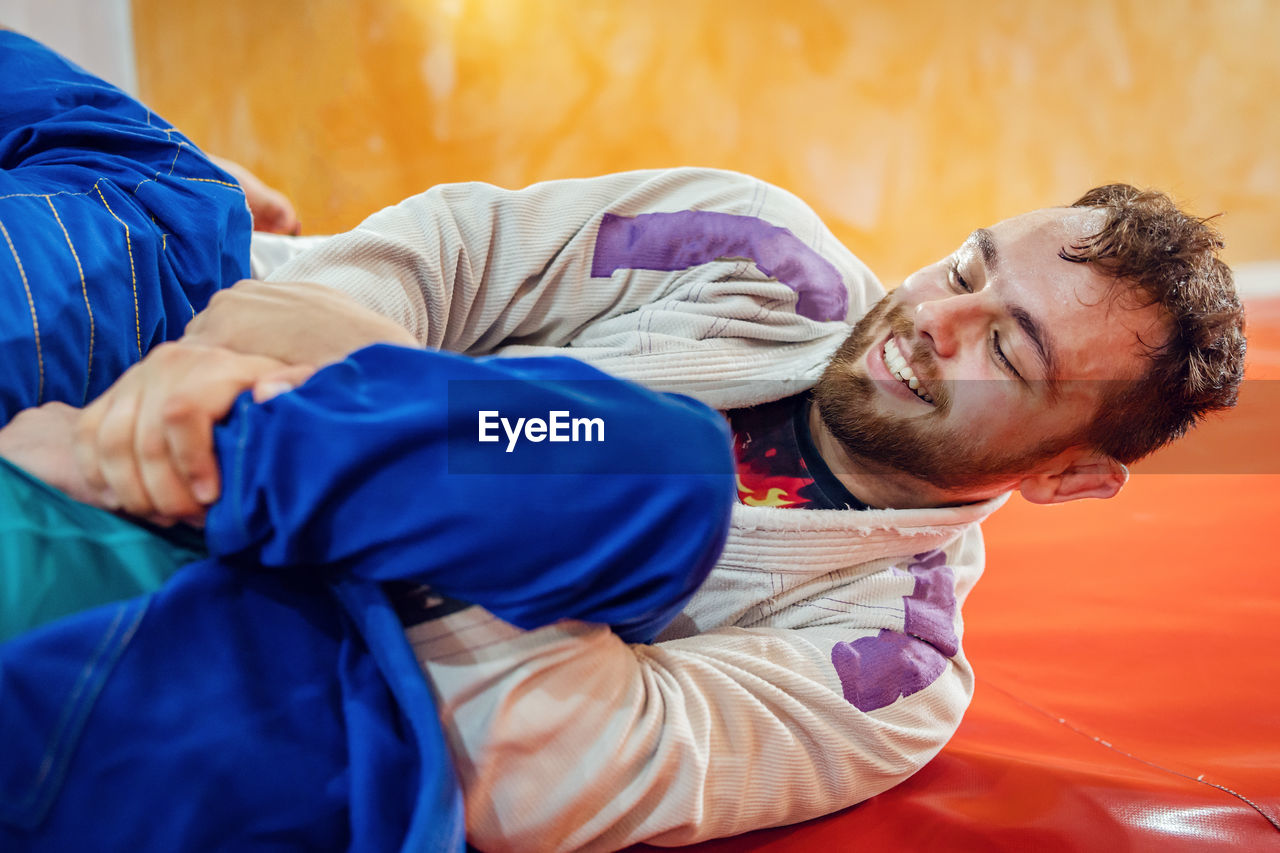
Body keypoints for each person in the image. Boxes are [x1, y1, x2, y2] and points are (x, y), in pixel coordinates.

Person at [2, 28, 1247, 853]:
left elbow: (543, 762)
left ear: (1070, 475)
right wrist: (251, 365)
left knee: (645, 468)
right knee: (157, 182)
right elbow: (420, 261)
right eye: (965, 263)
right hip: (183, 377)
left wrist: (422, 458)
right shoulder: (750, 244)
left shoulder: (890, 669)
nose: (931, 320)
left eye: (1008, 348)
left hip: (288, 634)